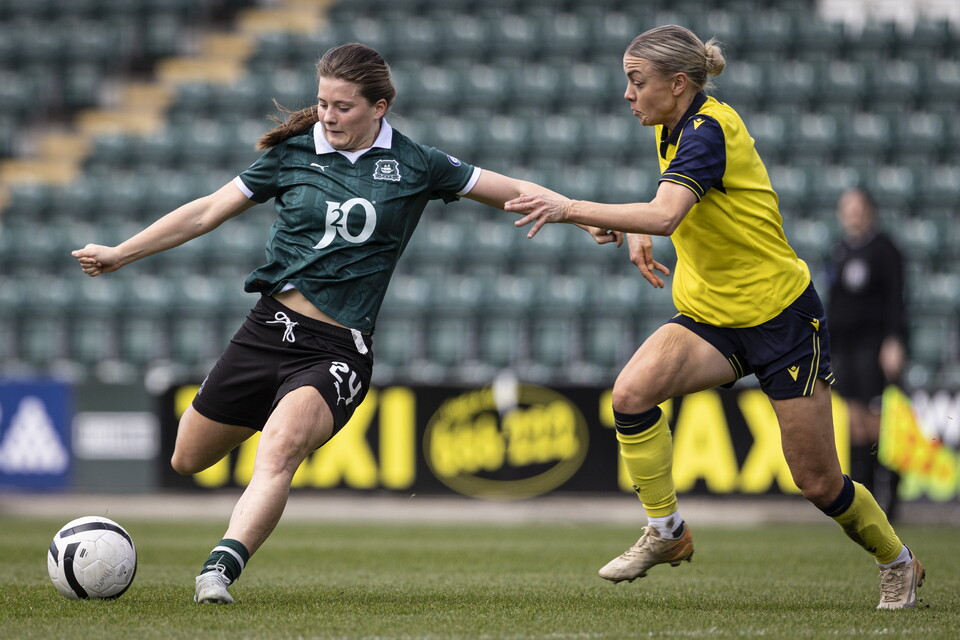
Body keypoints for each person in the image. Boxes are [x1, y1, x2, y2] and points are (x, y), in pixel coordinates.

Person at [72, 42, 616, 605]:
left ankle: (218, 571)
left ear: (380, 106)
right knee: (187, 458)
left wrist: (583, 215)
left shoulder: (417, 163)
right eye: (323, 104)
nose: (329, 116)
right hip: (267, 329)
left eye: (343, 106)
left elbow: (512, 192)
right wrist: (120, 253)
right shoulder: (291, 156)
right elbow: (207, 210)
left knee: (279, 449)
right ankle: (279, 411)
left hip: (335, 348)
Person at [504, 25, 923, 610]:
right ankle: (668, 533)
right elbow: (675, 209)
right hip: (712, 314)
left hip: (780, 318)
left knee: (818, 481)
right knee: (631, 392)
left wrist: (571, 208)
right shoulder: (671, 125)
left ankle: (897, 560)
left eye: (636, 81)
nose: (627, 93)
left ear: (677, 84)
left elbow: (668, 214)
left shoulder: (707, 130)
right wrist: (628, 225)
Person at [826, 187, 907, 520]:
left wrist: (894, 339)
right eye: (847, 208)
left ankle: (890, 500)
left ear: (869, 211)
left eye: (858, 207)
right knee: (855, 423)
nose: (852, 214)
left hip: (874, 346)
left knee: (878, 426)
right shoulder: (840, 251)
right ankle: (863, 503)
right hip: (845, 348)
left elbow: (897, 299)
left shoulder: (885, 249)